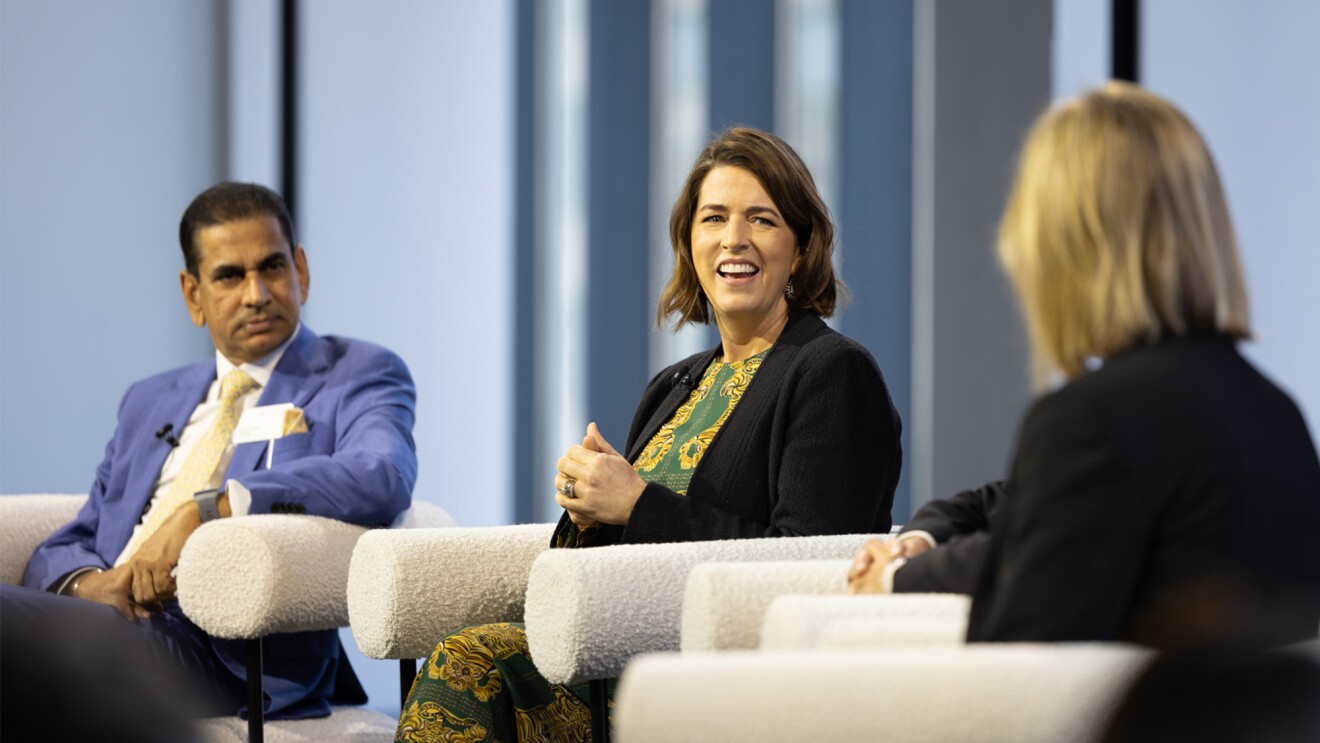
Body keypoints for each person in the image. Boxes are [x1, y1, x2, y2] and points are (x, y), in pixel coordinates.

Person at [396, 127, 902, 742]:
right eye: (714, 217)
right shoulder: (675, 384)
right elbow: (600, 578)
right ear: (690, 244)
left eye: (762, 220)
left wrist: (635, 502)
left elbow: (806, 561)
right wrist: (586, 513)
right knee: (476, 653)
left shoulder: (832, 372)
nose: (734, 239)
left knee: (475, 664)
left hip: (735, 681)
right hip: (629, 657)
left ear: (799, 249)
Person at [848, 82, 1320, 648]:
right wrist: (913, 560)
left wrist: (893, 581)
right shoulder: (1275, 415)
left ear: (1061, 244)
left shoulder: (1092, 423)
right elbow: (1040, 536)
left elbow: (1019, 671)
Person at [6, 182, 419, 720]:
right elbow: (80, 532)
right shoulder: (150, 399)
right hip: (111, 618)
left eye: (272, 267)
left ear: (302, 271)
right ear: (193, 294)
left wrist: (214, 508)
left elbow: (380, 474)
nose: (256, 294)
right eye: (229, 275)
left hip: (224, 653)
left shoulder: (358, 372)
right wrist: (88, 585)